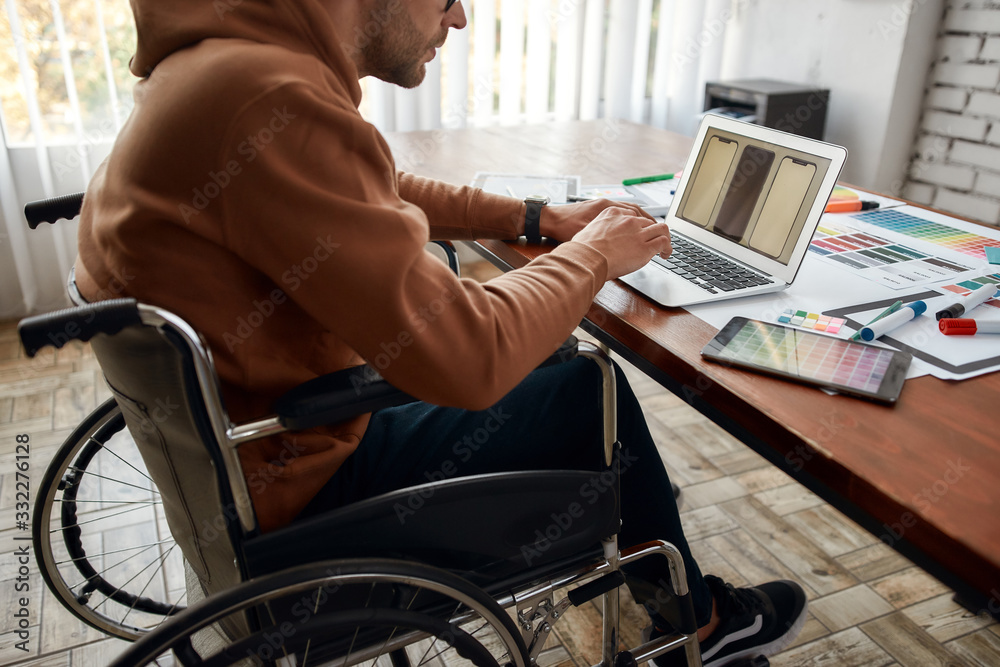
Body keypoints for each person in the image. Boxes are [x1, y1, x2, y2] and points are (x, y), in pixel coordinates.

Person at [74, 0, 807, 664]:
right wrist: (594, 255)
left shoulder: (221, 70)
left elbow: (376, 186)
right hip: (312, 494)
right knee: (588, 387)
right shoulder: (267, 95)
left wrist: (535, 218)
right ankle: (702, 627)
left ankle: (629, 545)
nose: (458, 19)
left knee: (551, 361)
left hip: (258, 466)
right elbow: (471, 356)